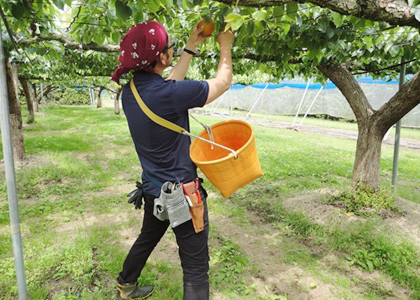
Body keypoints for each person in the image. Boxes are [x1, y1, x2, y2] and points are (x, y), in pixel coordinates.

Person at [111, 20, 234, 300]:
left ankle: (125, 286)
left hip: (154, 190)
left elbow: (168, 85)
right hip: (183, 196)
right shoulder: (169, 95)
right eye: (170, 49)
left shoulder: (130, 91)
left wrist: (191, 47)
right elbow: (223, 81)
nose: (172, 53)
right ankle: (127, 286)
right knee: (195, 270)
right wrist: (225, 46)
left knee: (147, 239)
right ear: (163, 57)